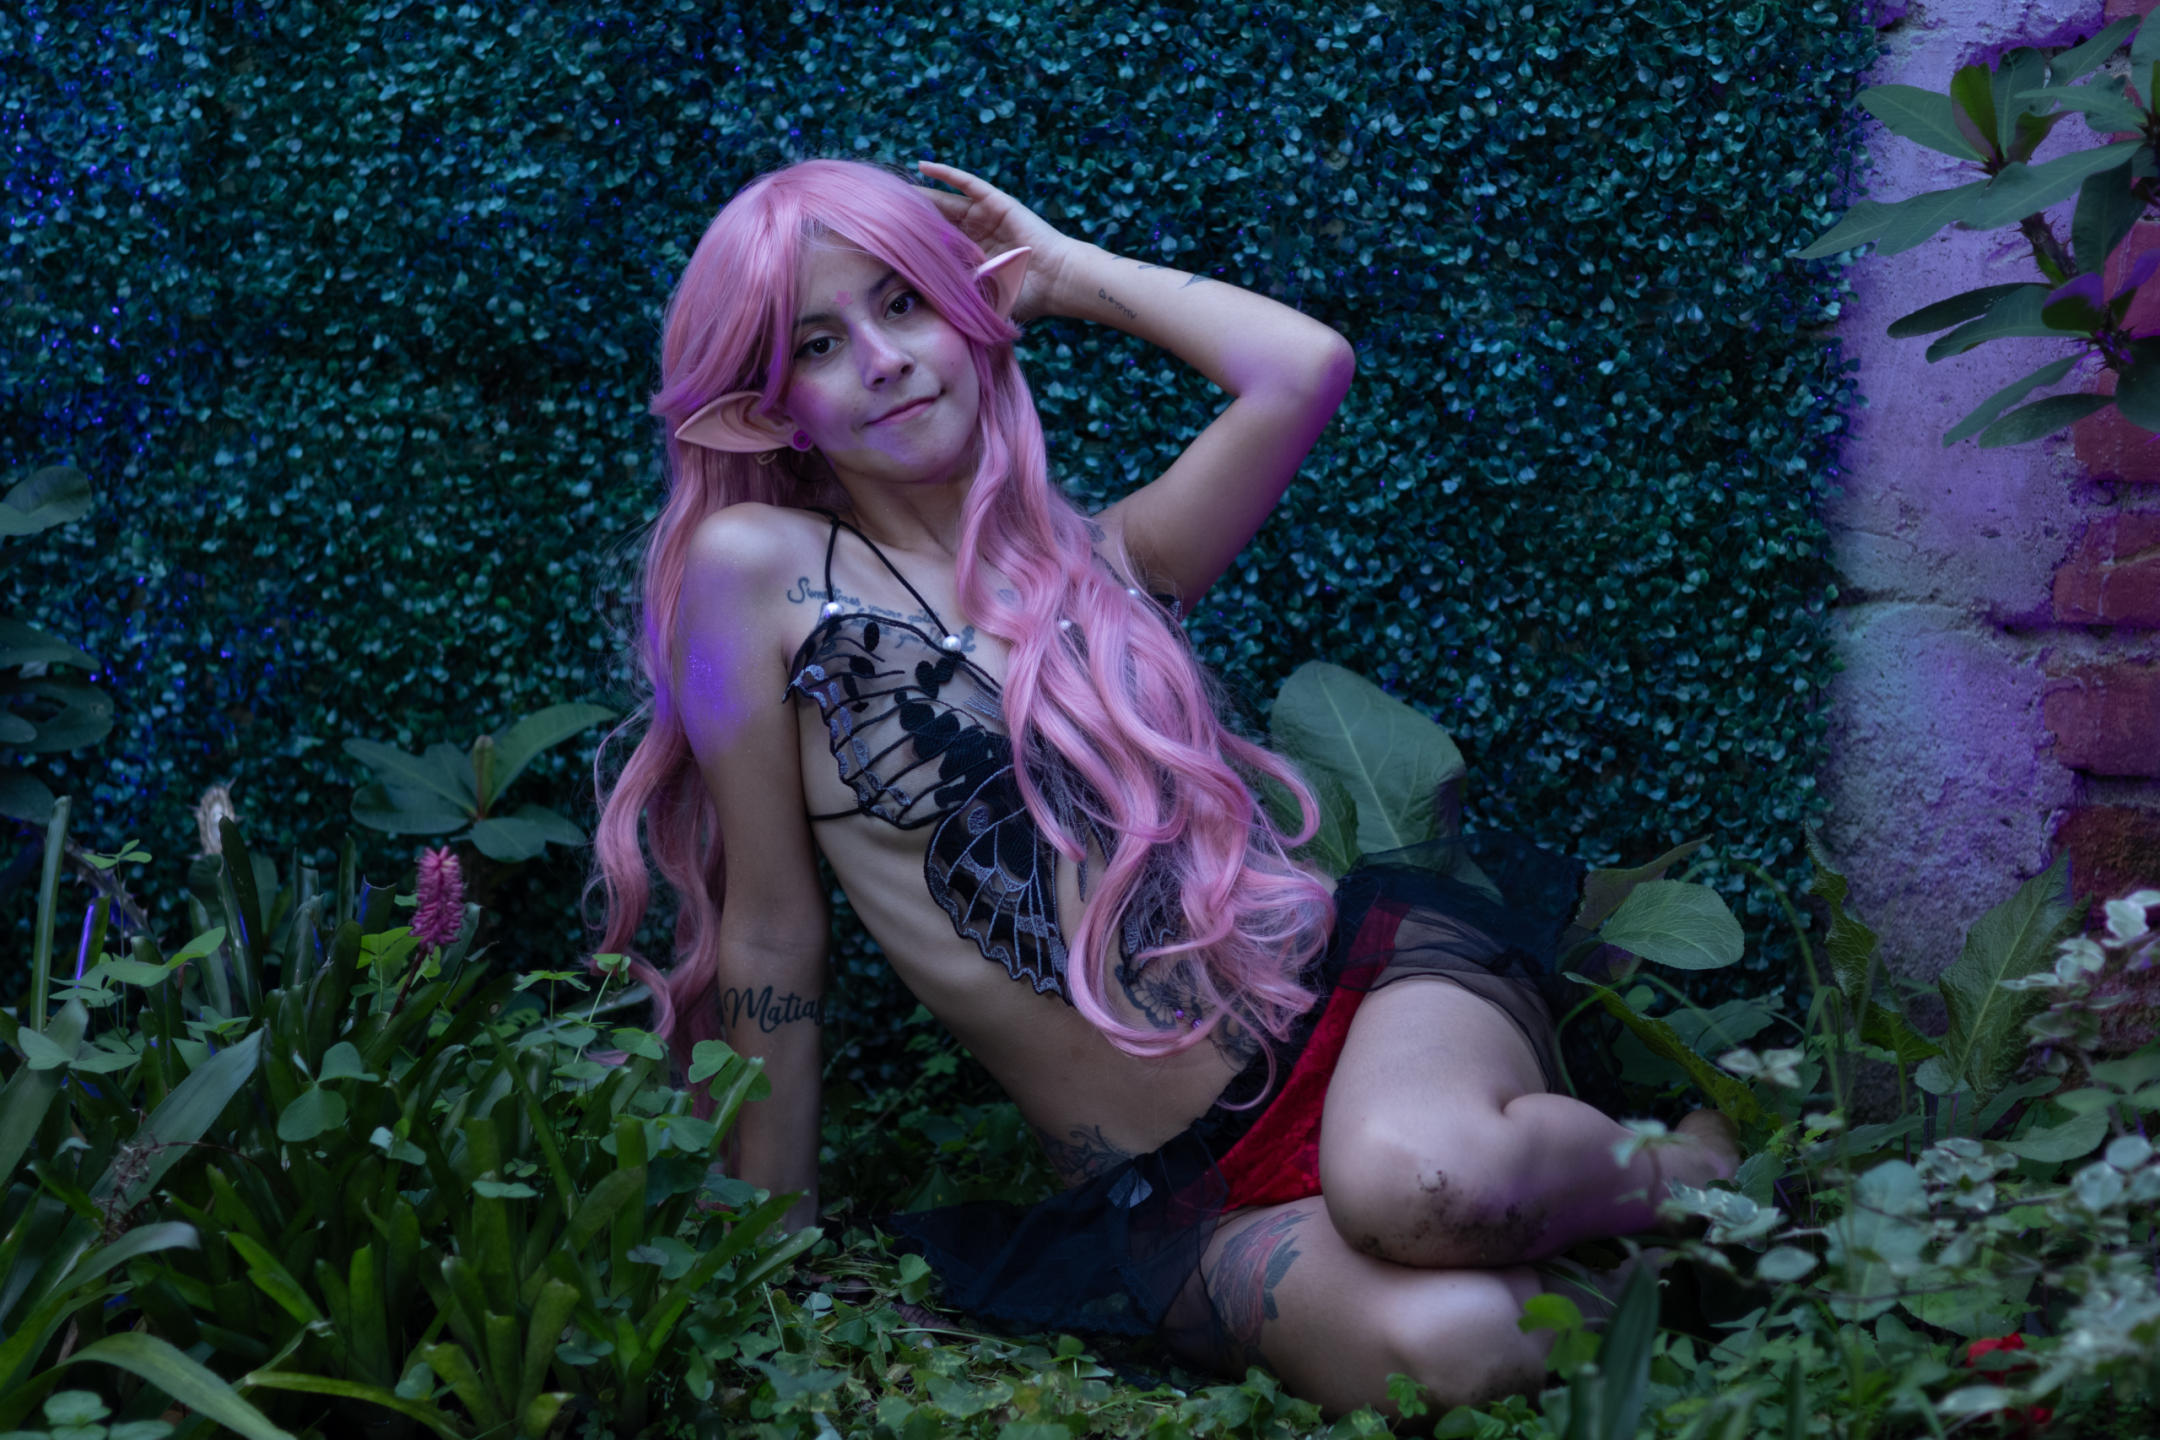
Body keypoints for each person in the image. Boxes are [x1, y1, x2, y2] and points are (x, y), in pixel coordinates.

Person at [592, 157, 1739, 1418]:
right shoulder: (755, 569)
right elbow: (770, 927)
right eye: (819, 343)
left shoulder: (1114, 565)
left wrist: (1061, 272)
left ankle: (1697, 1176)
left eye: (906, 301)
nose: (883, 358)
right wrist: (770, 1248)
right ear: (765, 414)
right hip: (1181, 1189)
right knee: (1458, 1347)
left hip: (1360, 1025)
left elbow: (1303, 368)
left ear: (967, 313)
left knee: (1415, 1178)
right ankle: (1626, 1265)